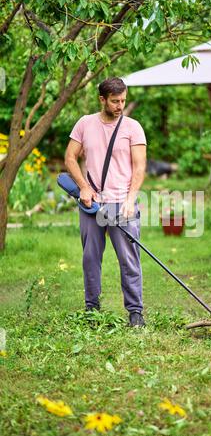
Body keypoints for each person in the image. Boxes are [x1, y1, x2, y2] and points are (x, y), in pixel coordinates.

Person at [64, 77, 147, 327]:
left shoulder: (133, 128)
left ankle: (135, 313)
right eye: (114, 101)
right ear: (102, 99)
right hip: (92, 205)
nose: (120, 105)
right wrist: (84, 187)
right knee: (91, 258)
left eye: (123, 100)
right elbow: (70, 157)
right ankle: (92, 310)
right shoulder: (85, 124)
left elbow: (140, 166)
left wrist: (131, 200)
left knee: (129, 259)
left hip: (123, 204)